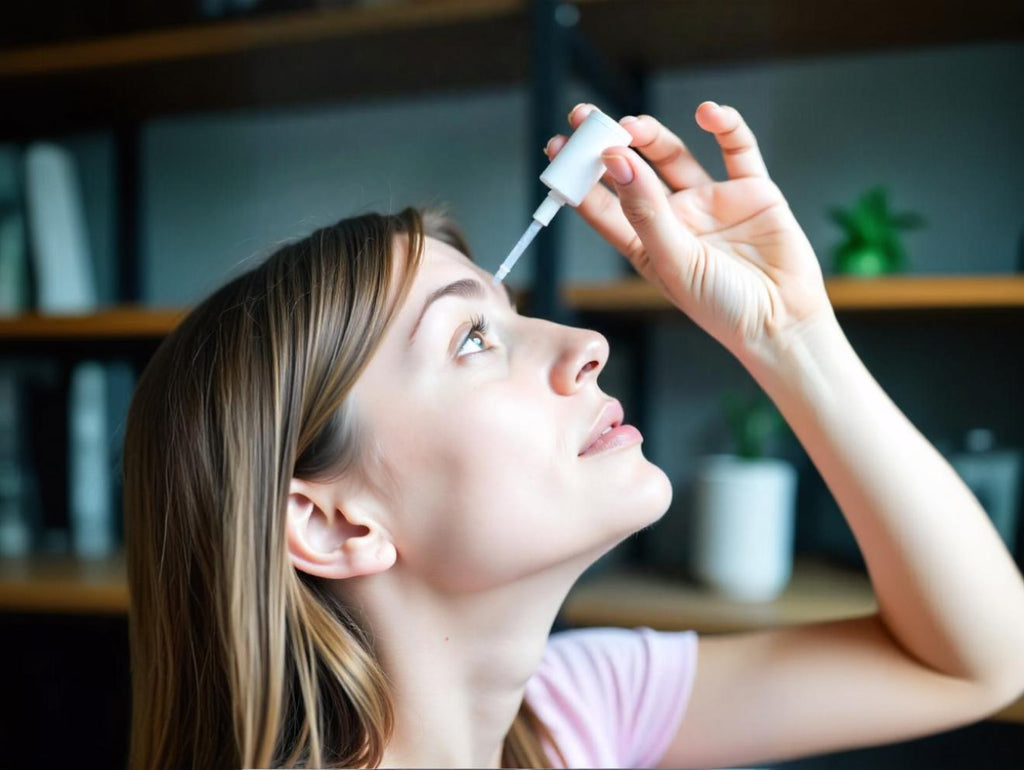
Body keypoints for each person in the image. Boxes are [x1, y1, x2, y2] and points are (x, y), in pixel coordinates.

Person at [122, 101, 1024, 769]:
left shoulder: (570, 716)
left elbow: (982, 662)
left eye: (505, 314)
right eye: (473, 338)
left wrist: (789, 337)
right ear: (332, 524)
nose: (587, 346)